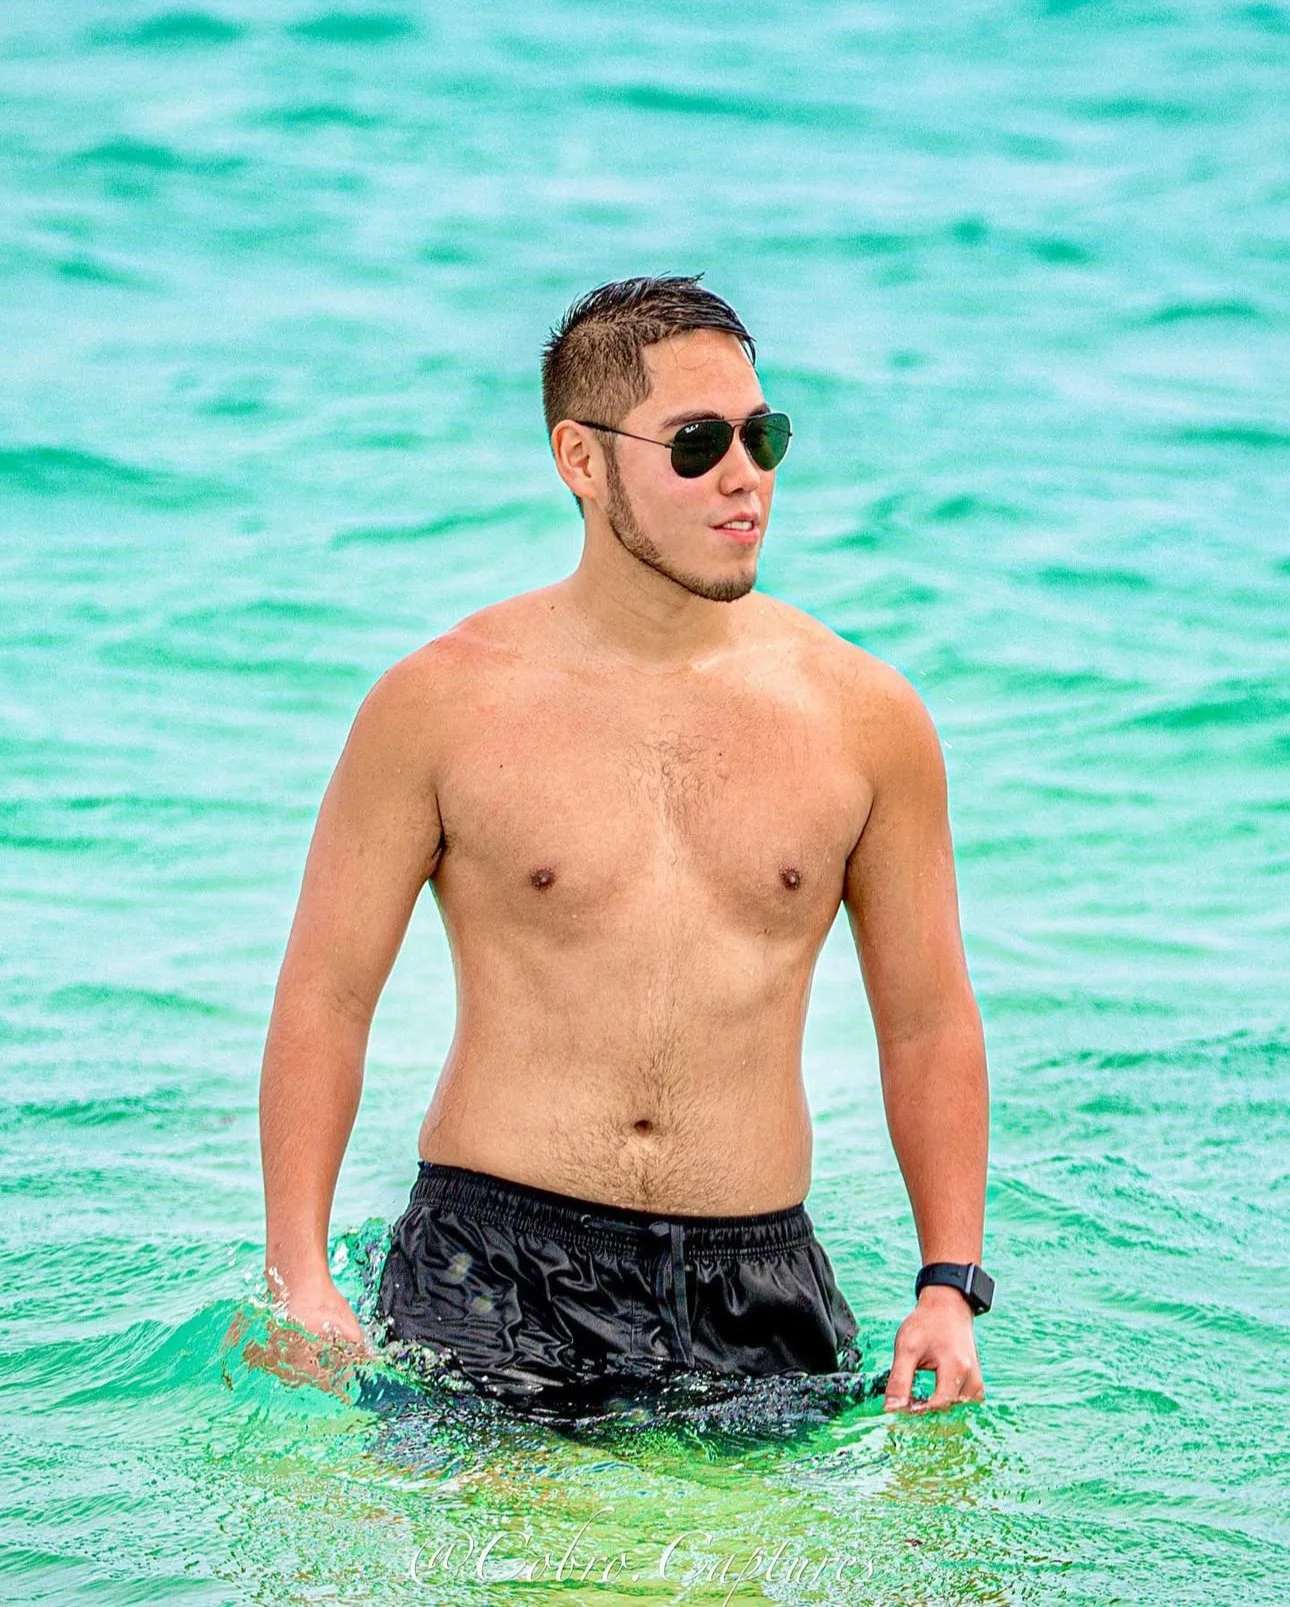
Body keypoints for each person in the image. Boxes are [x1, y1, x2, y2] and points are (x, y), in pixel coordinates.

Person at [257, 274, 992, 1419]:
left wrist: (949, 1285)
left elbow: (927, 1018)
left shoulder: (865, 717)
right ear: (582, 460)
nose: (745, 475)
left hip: (758, 1283)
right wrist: (298, 1274)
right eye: (698, 444)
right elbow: (327, 993)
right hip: (491, 1269)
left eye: (763, 436)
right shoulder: (440, 704)